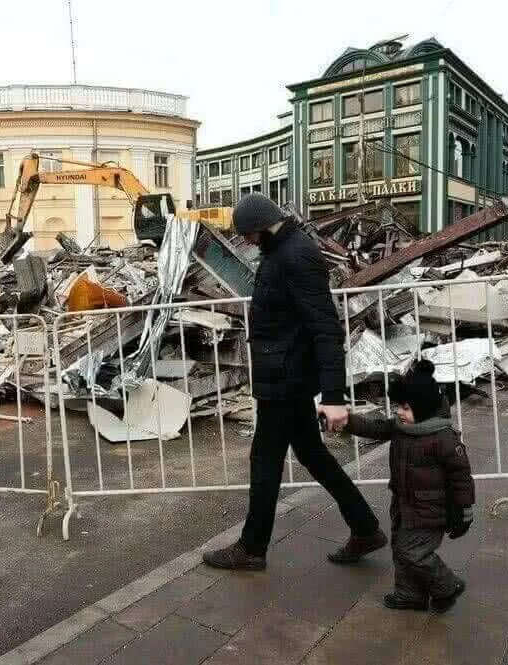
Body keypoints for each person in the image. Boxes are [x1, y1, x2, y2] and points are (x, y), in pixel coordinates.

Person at [202, 193, 387, 571]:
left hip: (286, 378)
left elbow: (325, 327)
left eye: (250, 235)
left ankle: (252, 547)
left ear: (261, 228)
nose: (249, 243)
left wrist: (333, 395)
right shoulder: (281, 251)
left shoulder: (296, 255)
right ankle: (365, 527)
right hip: (283, 373)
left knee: (265, 458)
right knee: (311, 454)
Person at [328, 360, 475, 612]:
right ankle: (409, 595)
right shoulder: (401, 427)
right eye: (398, 407)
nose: (399, 412)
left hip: (431, 511)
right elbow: (372, 428)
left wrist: (465, 512)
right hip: (404, 504)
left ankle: (446, 585)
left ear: (423, 408)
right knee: (401, 549)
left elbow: (462, 478)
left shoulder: (443, 439)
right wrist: (347, 421)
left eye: (405, 408)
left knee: (413, 553)